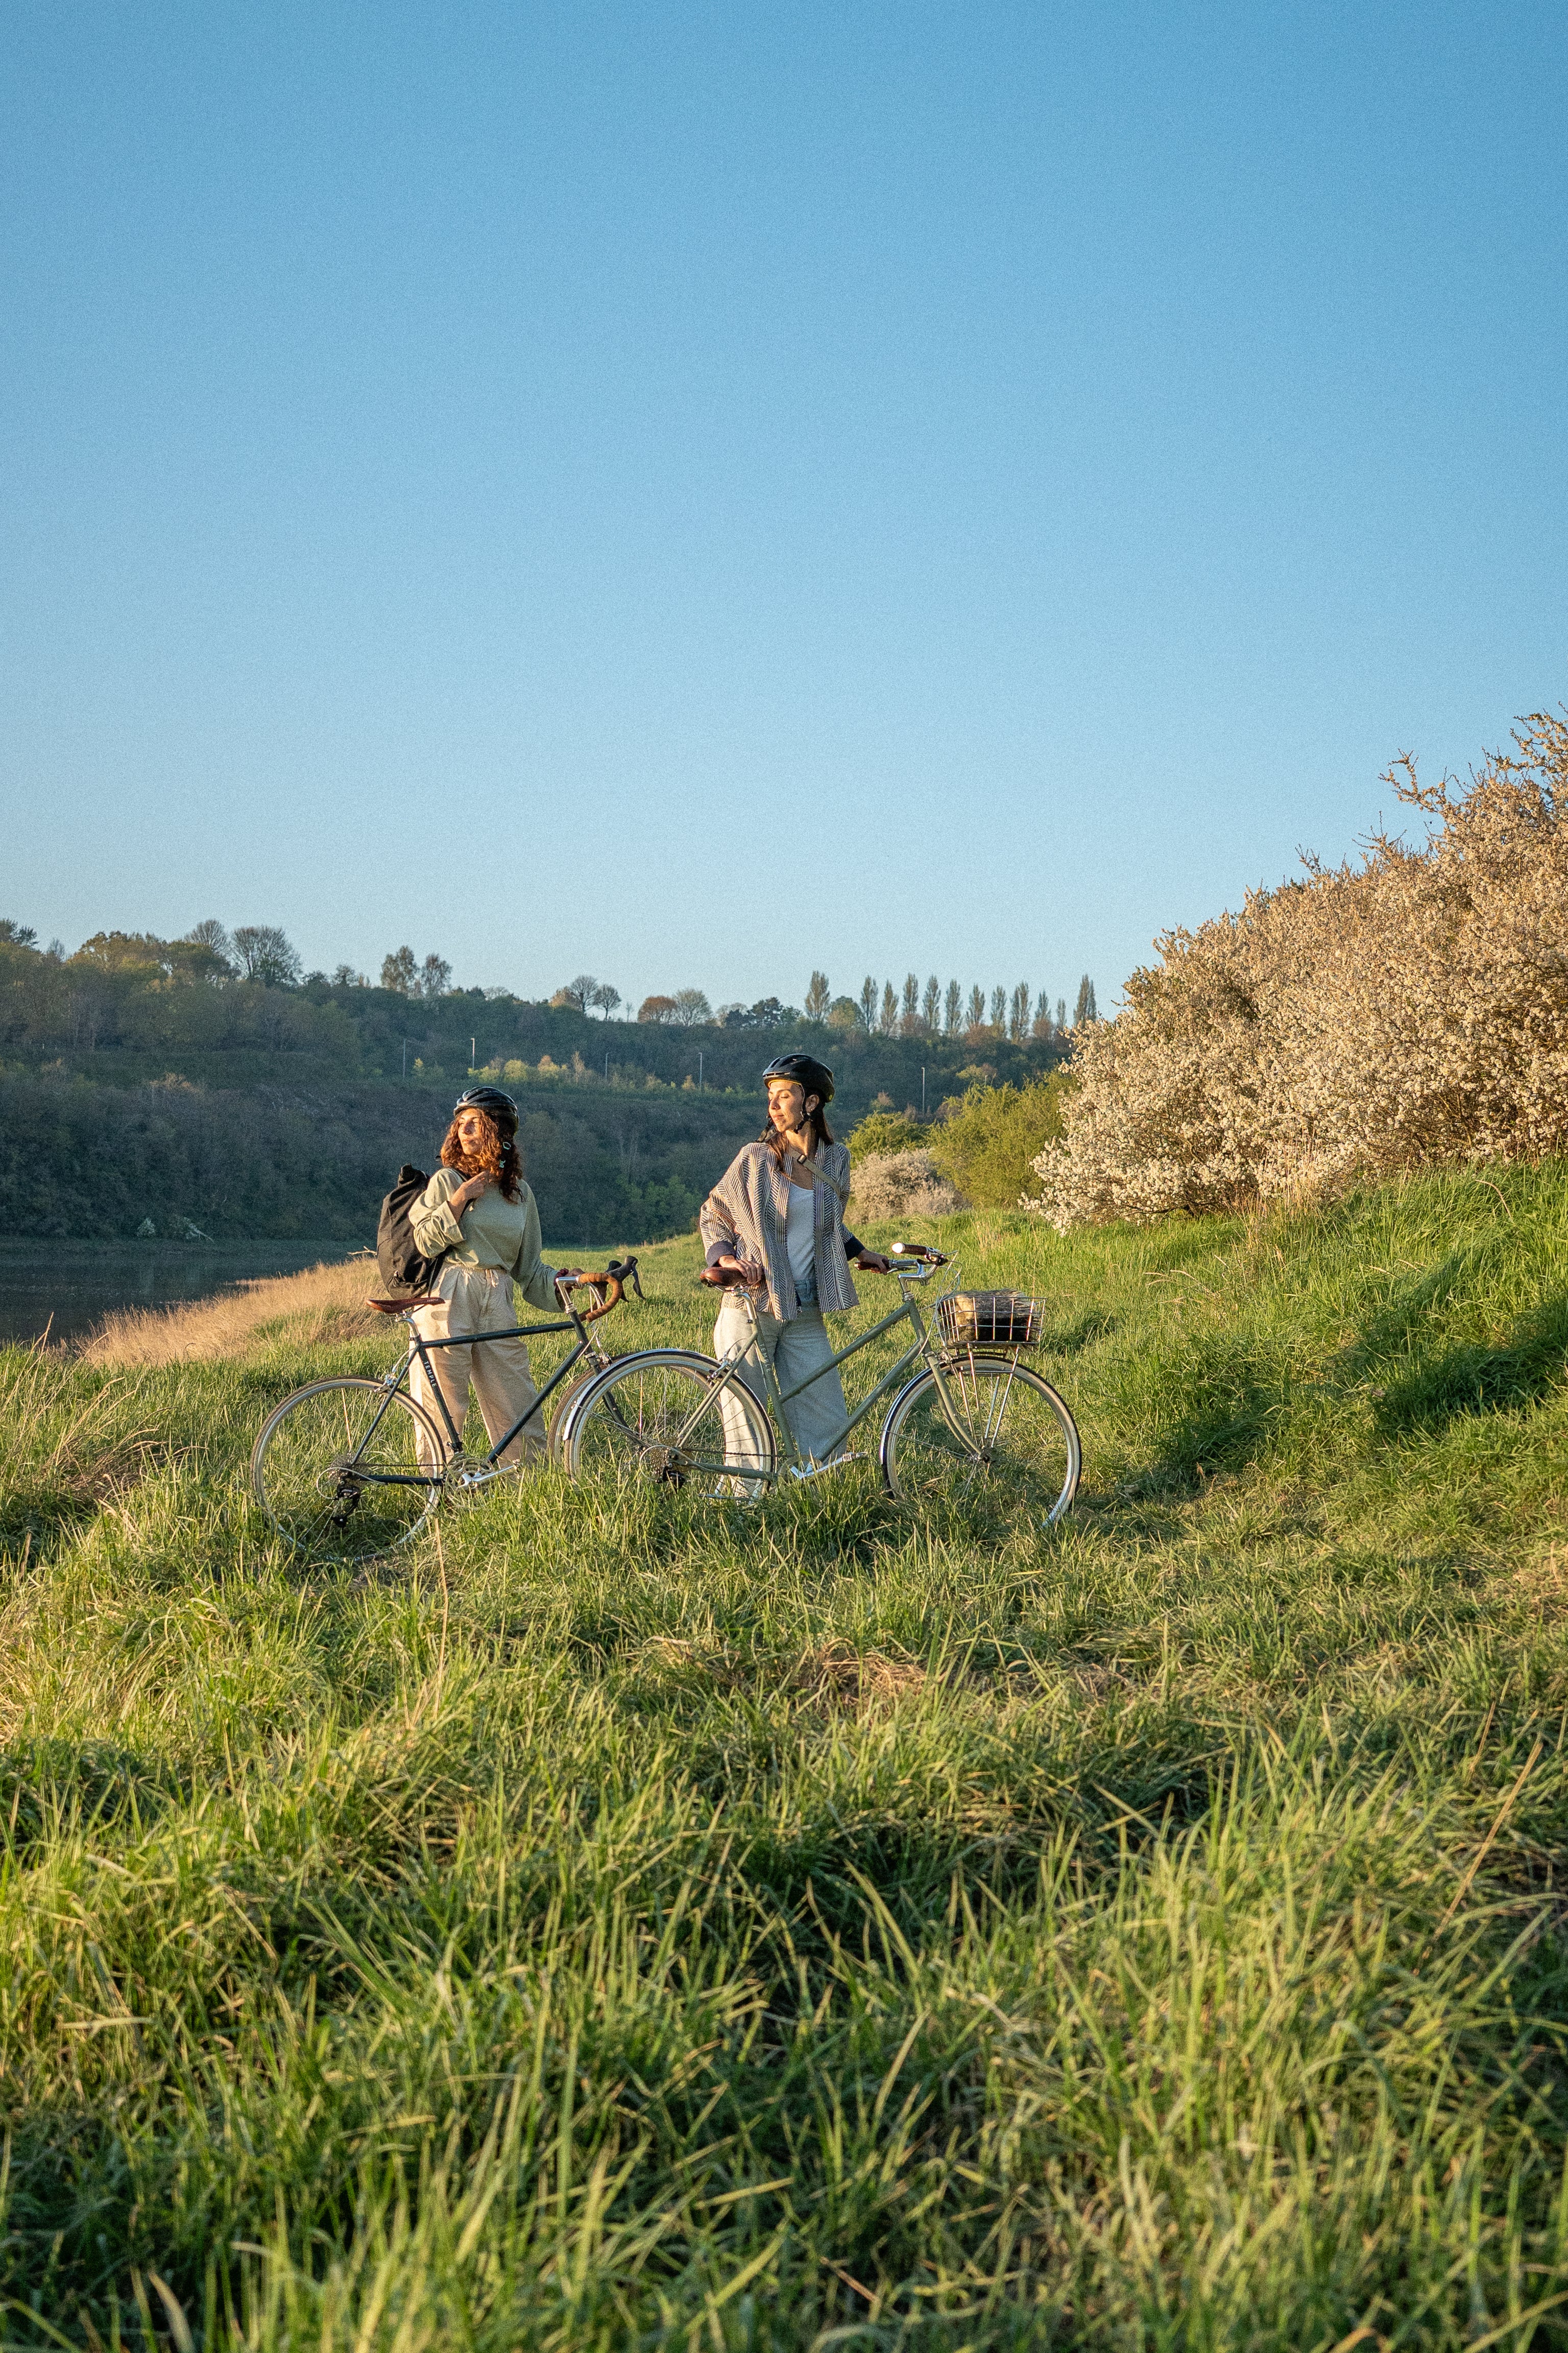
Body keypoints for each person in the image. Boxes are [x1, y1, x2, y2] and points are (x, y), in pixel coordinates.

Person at [699, 1054, 889, 1467]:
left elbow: (826, 1224)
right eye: (770, 1095)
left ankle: (819, 1501)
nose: (773, 1105)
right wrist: (727, 1257)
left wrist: (860, 1251)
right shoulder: (754, 1158)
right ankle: (739, 1503)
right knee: (745, 1425)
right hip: (752, 1304)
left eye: (783, 1095)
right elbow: (714, 1212)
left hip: (804, 1308)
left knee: (826, 1420)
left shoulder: (836, 1161)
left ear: (811, 1103)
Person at [406, 1087, 574, 1468]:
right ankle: (437, 1495)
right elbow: (425, 1241)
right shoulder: (447, 1181)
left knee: (516, 1402)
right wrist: (461, 1197)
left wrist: (570, 1284)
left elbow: (529, 1271)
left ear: (499, 1133)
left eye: (475, 1123)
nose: (464, 1131)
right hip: (450, 1291)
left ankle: (525, 1495)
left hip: (498, 1297)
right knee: (442, 1409)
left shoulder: (520, 1195)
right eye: (460, 1124)